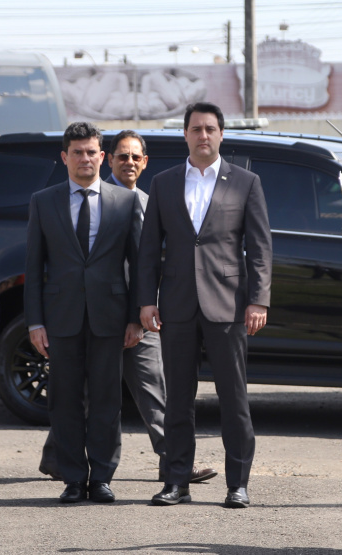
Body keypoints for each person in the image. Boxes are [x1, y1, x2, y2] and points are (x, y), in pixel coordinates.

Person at [38, 130, 217, 485]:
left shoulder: (152, 201)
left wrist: (143, 313)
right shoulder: (89, 197)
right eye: (122, 156)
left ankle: (174, 461)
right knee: (80, 391)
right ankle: (58, 457)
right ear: (108, 159)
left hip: (139, 316)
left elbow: (149, 263)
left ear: (145, 162)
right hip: (92, 314)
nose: (129, 163)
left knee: (154, 388)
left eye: (136, 157)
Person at [138, 102, 272, 508]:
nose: (203, 135)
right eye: (196, 129)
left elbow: (260, 248)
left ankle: (238, 484)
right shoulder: (163, 183)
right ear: (185, 134)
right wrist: (146, 301)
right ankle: (176, 481)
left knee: (234, 398)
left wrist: (258, 300)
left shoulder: (246, 182)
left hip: (228, 306)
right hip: (176, 305)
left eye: (210, 129)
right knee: (178, 399)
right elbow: (149, 250)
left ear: (221, 134)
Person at [25, 121, 143, 504]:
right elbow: (34, 266)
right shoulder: (43, 201)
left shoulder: (125, 202)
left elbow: (139, 264)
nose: (85, 158)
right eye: (77, 152)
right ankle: (73, 478)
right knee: (64, 401)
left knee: (108, 401)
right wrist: (35, 322)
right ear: (64, 157)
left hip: (111, 317)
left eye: (91, 152)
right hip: (61, 318)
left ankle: (102, 478)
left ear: (102, 156)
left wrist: (136, 318)